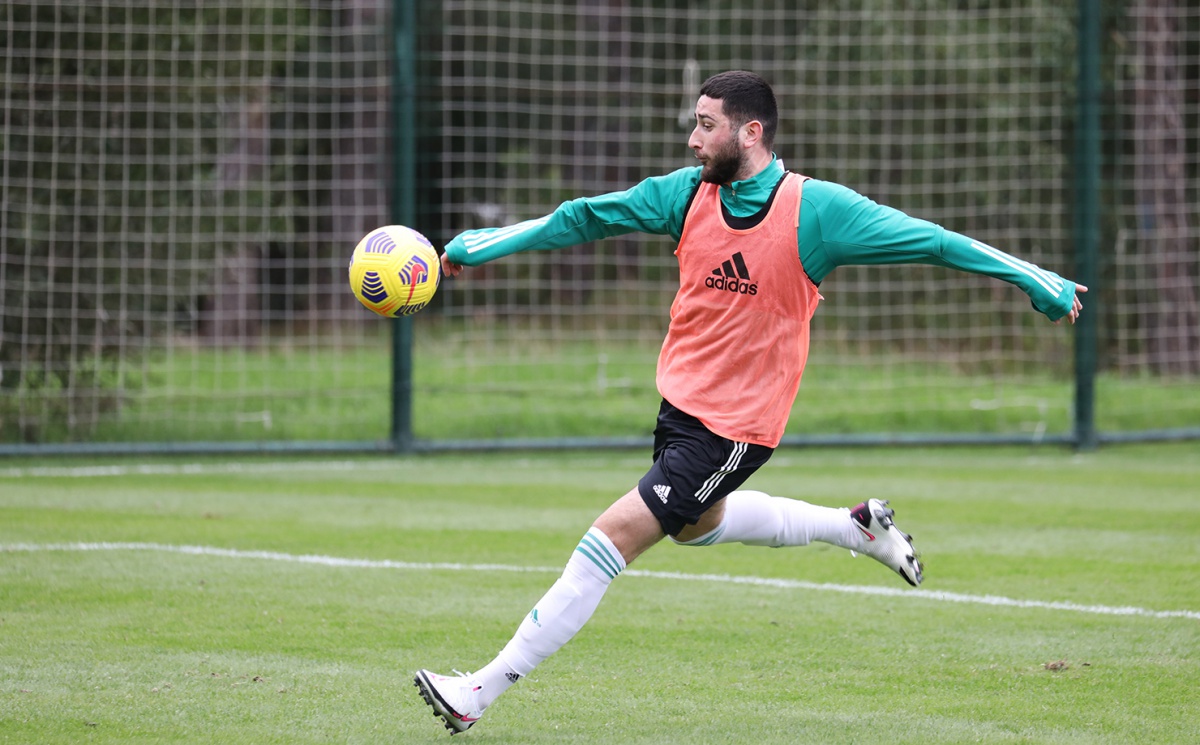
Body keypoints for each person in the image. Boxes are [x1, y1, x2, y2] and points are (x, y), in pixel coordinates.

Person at [413, 70, 1086, 734]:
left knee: (613, 536)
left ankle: (480, 688)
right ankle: (856, 528)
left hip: (736, 427)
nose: (692, 140)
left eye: (706, 125)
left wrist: (1035, 278)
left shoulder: (818, 212)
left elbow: (934, 242)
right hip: (681, 407)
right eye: (694, 123)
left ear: (751, 132)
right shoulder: (686, 195)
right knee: (695, 524)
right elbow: (586, 215)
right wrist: (488, 245)